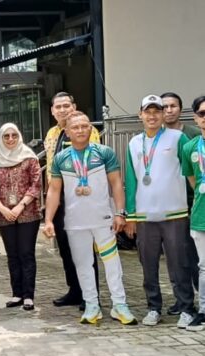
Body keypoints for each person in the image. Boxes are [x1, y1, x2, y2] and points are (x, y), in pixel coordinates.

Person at [43, 111, 137, 325]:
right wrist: (48, 220)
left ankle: (119, 305)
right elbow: (54, 190)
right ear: (67, 132)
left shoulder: (104, 153)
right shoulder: (60, 158)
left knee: (112, 263)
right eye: (75, 127)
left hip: (103, 219)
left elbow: (116, 183)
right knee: (83, 264)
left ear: (90, 128)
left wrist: (120, 213)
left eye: (84, 126)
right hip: (75, 222)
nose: (81, 130)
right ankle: (92, 305)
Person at [124, 95, 195, 328]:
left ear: (164, 114)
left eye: (157, 111)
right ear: (140, 115)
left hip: (175, 214)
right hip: (145, 216)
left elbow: (192, 168)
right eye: (148, 111)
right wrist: (130, 214)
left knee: (179, 264)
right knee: (148, 265)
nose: (152, 116)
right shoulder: (134, 143)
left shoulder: (177, 138)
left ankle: (186, 308)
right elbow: (131, 180)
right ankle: (153, 307)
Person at [43, 92, 100, 310]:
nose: (62, 110)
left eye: (66, 105)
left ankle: (90, 294)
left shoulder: (87, 130)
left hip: (81, 196)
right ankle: (74, 290)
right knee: (65, 248)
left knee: (84, 248)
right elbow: (50, 167)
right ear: (52, 111)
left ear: (73, 107)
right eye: (58, 107)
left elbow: (92, 162)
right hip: (59, 198)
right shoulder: (51, 133)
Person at [0, 123, 41, 311]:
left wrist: (20, 206)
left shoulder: (30, 158)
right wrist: (2, 208)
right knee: (12, 255)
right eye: (6, 136)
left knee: (26, 253)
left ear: (19, 136)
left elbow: (36, 185)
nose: (10, 139)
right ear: (0, 139)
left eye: (14, 135)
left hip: (28, 214)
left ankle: (28, 296)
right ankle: (17, 294)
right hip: (4, 215)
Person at [162, 91, 201, 315]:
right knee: (176, 257)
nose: (169, 110)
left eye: (173, 106)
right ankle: (183, 300)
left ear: (181, 109)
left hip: (193, 202)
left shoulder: (194, 134)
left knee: (196, 256)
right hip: (170, 206)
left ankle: (201, 297)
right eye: (164, 106)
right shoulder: (156, 136)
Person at [182, 95, 205, 331]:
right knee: (204, 266)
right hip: (201, 215)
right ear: (196, 118)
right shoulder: (189, 147)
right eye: (202, 113)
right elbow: (192, 182)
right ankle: (204, 310)